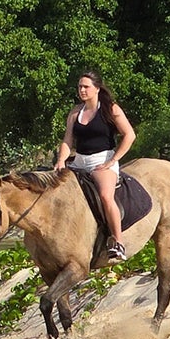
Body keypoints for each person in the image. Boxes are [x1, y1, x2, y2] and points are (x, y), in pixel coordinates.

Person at [53, 69, 136, 260]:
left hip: (102, 160)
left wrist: (112, 161)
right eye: (79, 87)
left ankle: (118, 242)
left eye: (86, 87)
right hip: (79, 161)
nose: (82, 90)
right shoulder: (75, 112)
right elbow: (68, 140)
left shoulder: (111, 109)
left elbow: (129, 135)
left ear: (97, 88)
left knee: (106, 196)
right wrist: (61, 160)